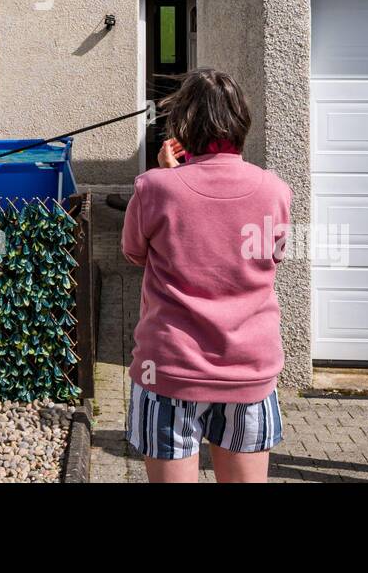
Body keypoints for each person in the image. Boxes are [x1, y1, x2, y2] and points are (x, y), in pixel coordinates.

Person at [122, 68, 291, 483]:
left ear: (183, 125)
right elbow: (272, 257)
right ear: (240, 122)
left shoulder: (154, 188)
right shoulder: (275, 189)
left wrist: (167, 174)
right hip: (249, 370)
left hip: (169, 370)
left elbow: (133, 252)